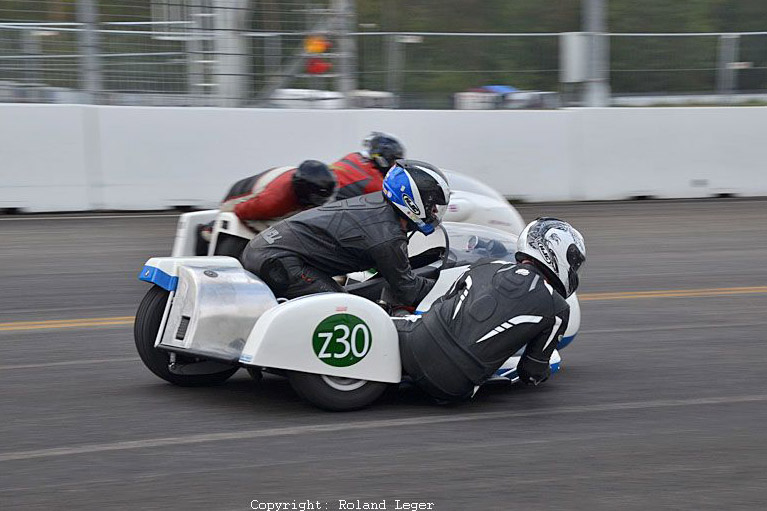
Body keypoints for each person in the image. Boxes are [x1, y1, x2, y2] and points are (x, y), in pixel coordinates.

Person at [396, 217, 586, 402]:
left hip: (416, 344)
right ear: (557, 253)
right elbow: (531, 373)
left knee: (394, 316)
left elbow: (442, 302)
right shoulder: (559, 309)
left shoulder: (485, 264)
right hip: (452, 387)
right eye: (573, 262)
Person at [241, 160, 450, 305]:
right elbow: (407, 290)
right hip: (278, 259)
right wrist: (449, 286)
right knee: (344, 309)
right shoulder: (388, 236)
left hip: (267, 247)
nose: (434, 213)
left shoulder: (379, 204)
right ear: (412, 201)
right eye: (433, 206)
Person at [200, 160, 337, 258]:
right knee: (278, 236)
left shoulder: (306, 188)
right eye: (316, 199)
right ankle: (209, 230)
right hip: (237, 204)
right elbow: (239, 212)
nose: (320, 204)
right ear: (304, 192)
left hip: (269, 192)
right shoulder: (273, 202)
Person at [331, 132, 405, 200]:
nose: (395, 166)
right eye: (394, 162)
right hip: (332, 202)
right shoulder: (375, 182)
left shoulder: (354, 156)